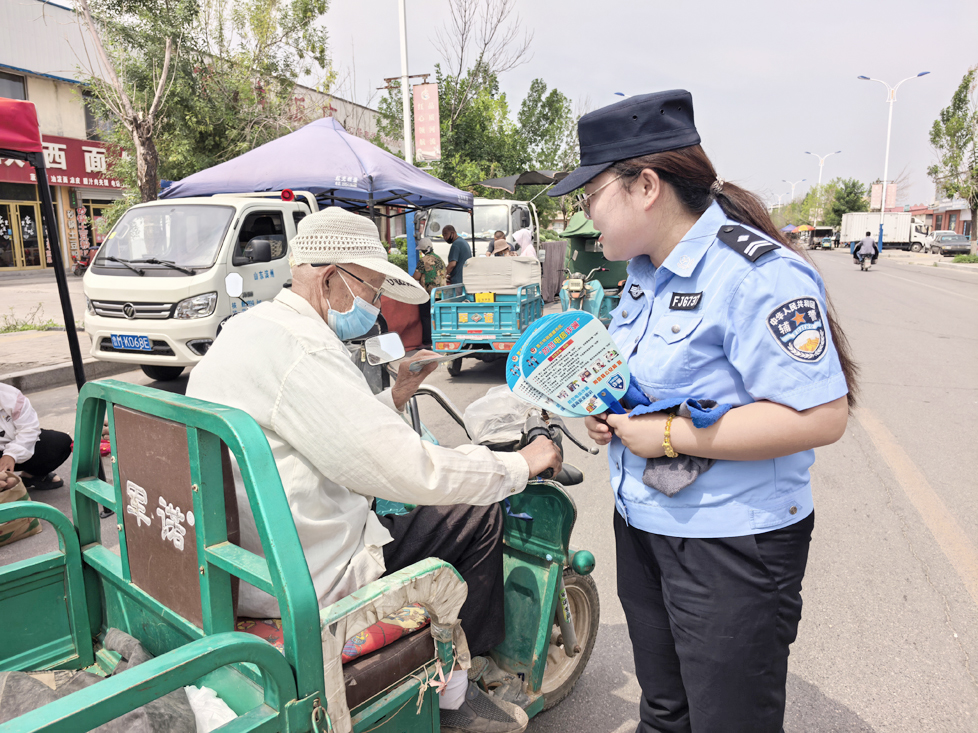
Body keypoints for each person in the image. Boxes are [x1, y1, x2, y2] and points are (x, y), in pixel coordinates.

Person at [548, 90, 856, 733]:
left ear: (646, 187)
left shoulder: (755, 275)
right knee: (665, 711)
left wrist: (665, 434)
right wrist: (610, 414)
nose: (583, 214)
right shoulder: (640, 272)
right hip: (644, 525)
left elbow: (821, 417)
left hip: (731, 542)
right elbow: (653, 383)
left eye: (591, 194)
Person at [187, 206, 560, 733]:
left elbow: (324, 431)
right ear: (329, 278)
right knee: (476, 514)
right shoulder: (306, 350)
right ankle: (462, 682)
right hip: (307, 572)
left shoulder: (249, 329)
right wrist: (520, 463)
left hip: (245, 561)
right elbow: (410, 469)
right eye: (370, 289)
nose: (376, 305)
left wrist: (395, 395)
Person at [0, 383, 73, 491]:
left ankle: (32, 475)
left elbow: (29, 429)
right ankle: (7, 484)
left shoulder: (12, 396)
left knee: (60, 442)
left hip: (14, 451)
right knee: (6, 482)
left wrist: (11, 454)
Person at [412, 237, 446, 347]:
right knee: (439, 317)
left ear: (424, 249)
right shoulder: (440, 259)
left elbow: (416, 276)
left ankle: (428, 342)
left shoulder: (423, 260)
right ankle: (441, 339)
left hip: (428, 294)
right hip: (441, 293)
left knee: (426, 317)